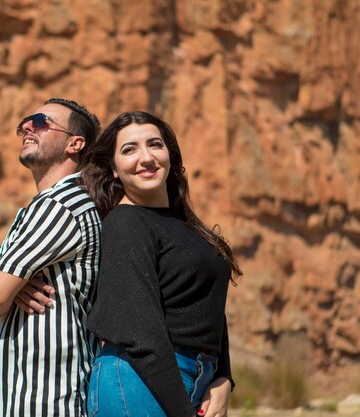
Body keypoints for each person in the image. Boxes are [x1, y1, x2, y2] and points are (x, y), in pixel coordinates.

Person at [80, 111, 242, 417]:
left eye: (155, 145)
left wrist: (223, 376)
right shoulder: (126, 222)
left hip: (193, 376)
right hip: (140, 378)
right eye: (129, 150)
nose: (146, 158)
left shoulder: (184, 225)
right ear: (114, 169)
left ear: (170, 154)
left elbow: (206, 306)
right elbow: (142, 332)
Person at [0, 98, 102, 417]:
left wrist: (1, 283)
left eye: (42, 121)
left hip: (44, 403)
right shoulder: (41, 209)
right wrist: (4, 280)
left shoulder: (60, 207)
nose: (28, 126)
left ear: (75, 143)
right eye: (26, 122)